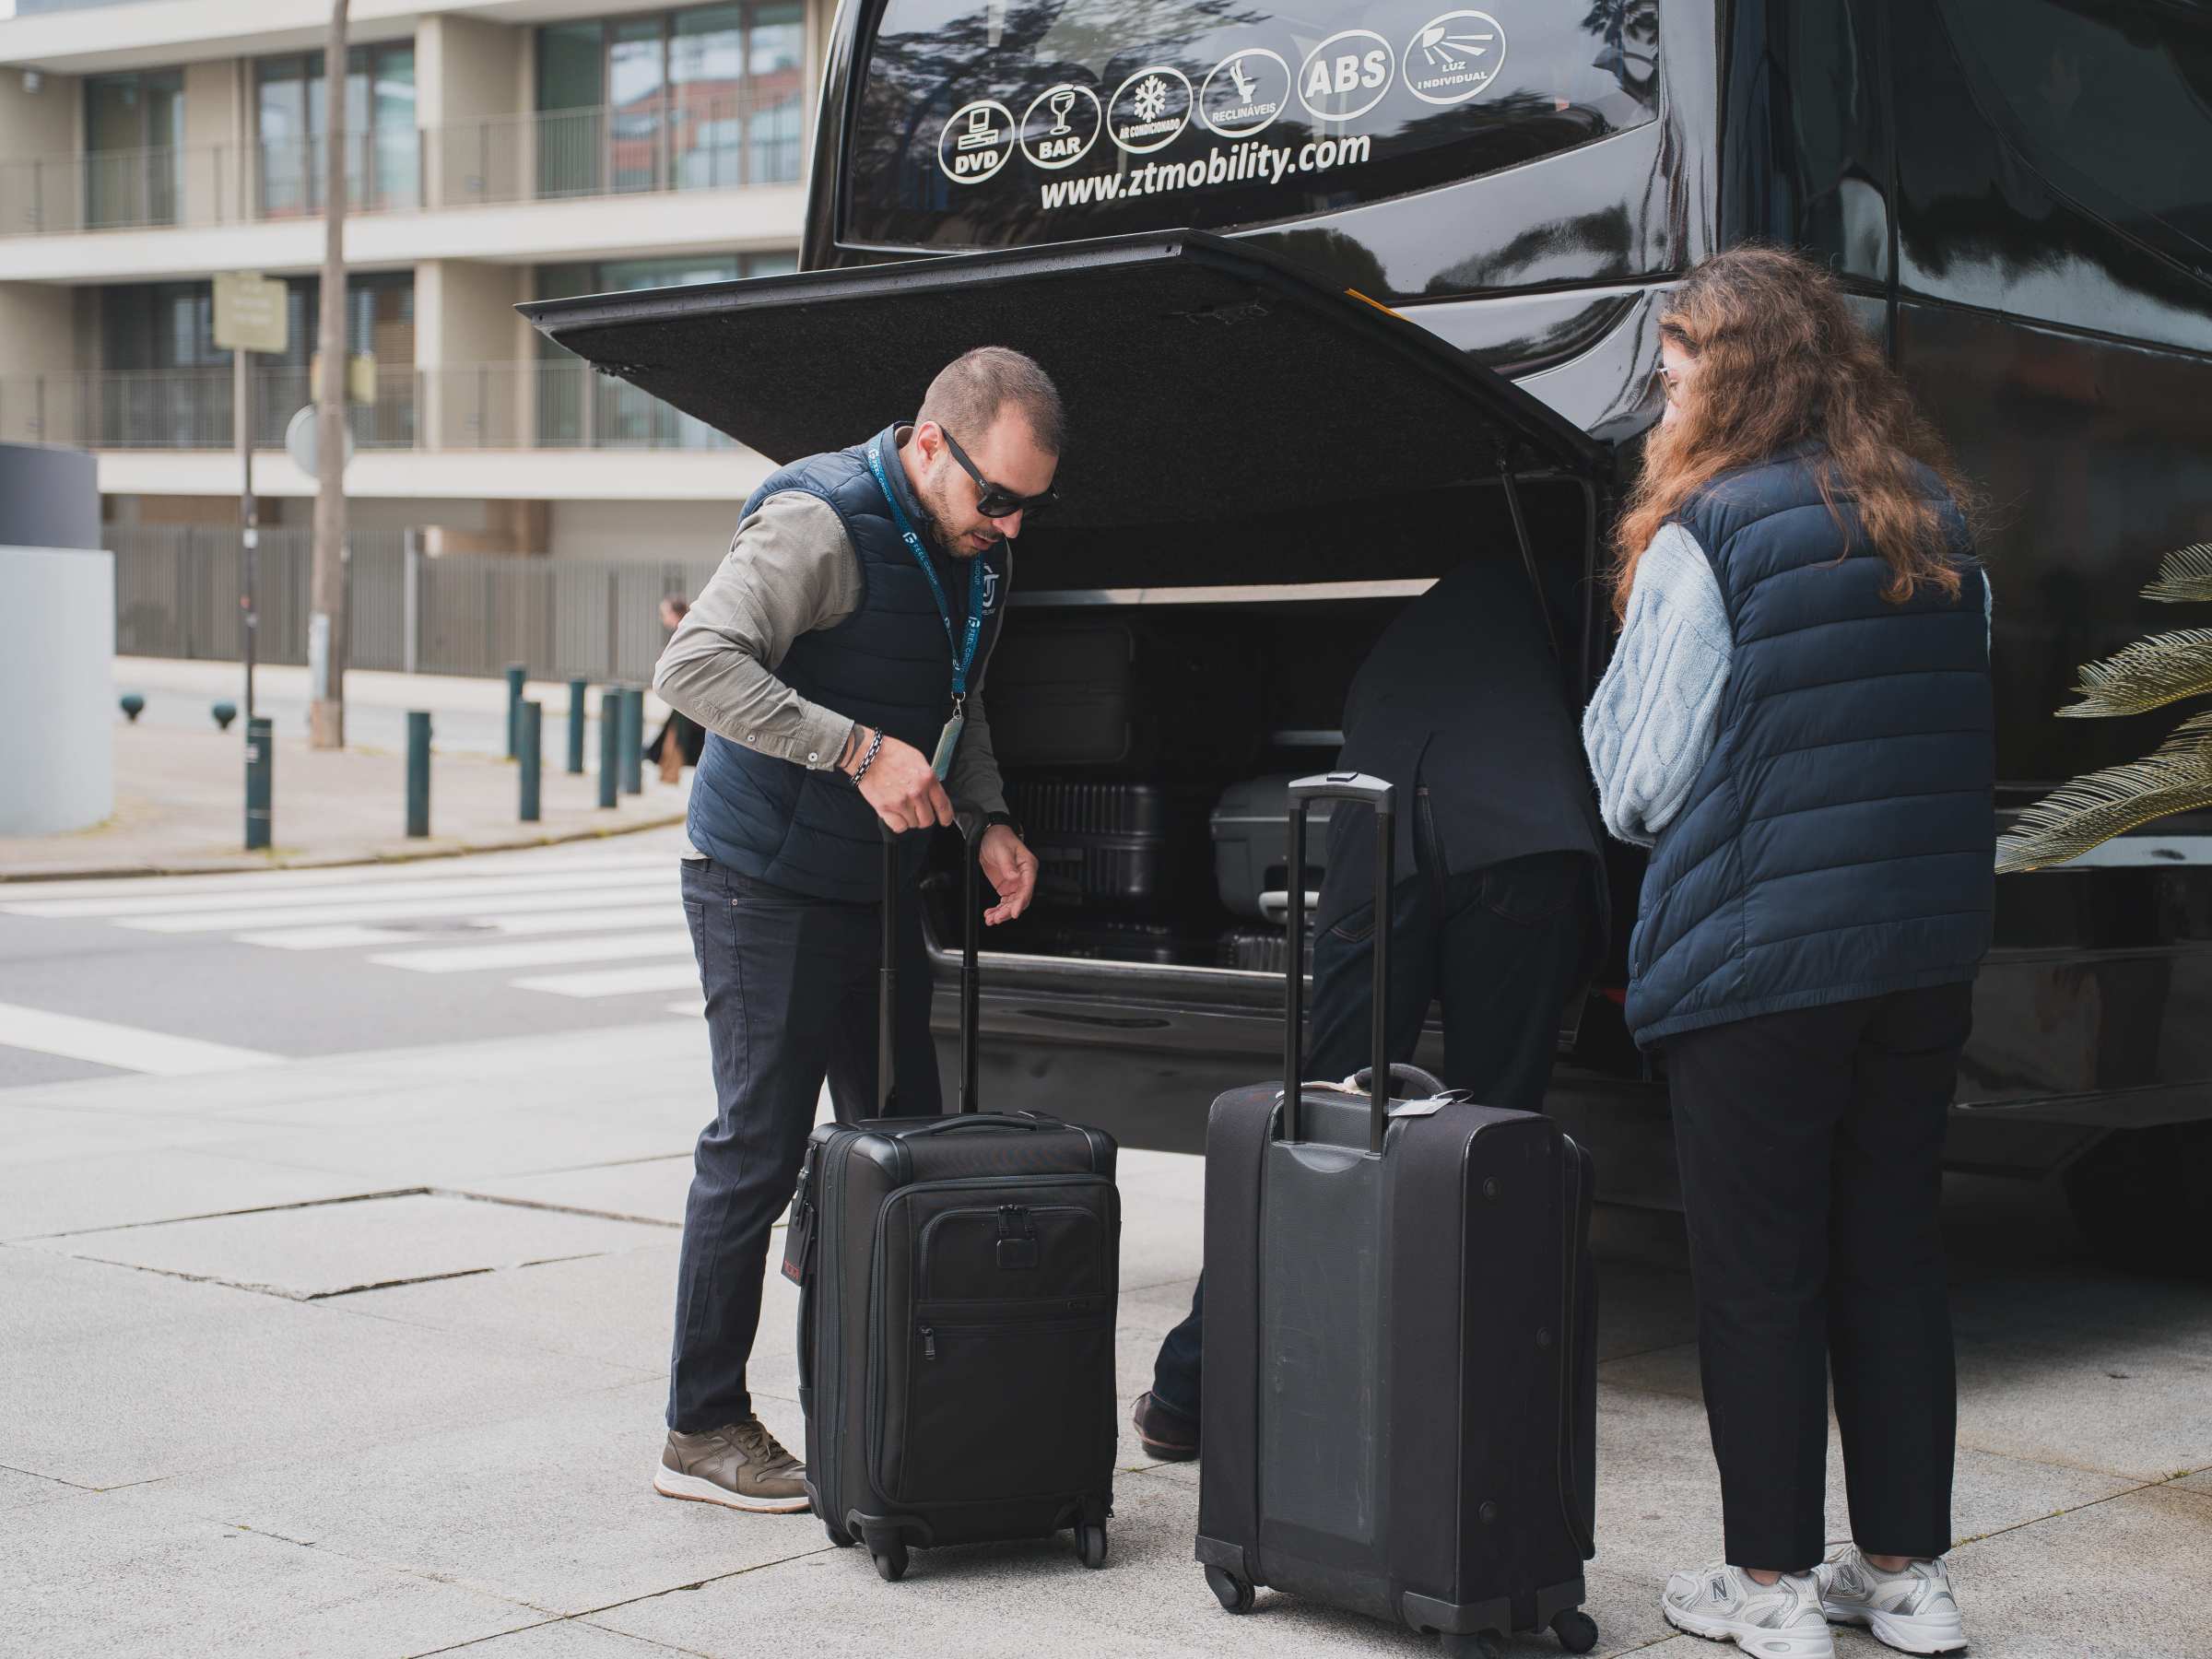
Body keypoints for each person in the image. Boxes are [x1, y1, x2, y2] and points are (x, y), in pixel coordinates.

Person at [1583, 247, 1992, 1659]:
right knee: (1889, 1255)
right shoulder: (1937, 521)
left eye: (1676, 362)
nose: (1663, 388)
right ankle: (1905, 1579)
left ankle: (1767, 1587)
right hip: (1920, 953)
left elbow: (1635, 786)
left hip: (1759, 960)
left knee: (1759, 1272)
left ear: (1729, 372)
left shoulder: (1711, 531)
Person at [648, 347, 1053, 1513]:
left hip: (873, 892)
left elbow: (953, 695)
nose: (1012, 526)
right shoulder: (817, 524)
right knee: (759, 1151)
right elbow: (694, 663)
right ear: (931, 445)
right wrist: (856, 750)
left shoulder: (972, 549)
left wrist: (985, 820)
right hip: (761, 882)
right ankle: (702, 1423)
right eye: (998, 497)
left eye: (1030, 505)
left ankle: (869, 1395)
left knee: (895, 1148)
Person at [1130, 552, 1607, 1463]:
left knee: (1315, 1128)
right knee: (1493, 1141)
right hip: (1520, 839)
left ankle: (1189, 1394)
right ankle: (1481, 1414)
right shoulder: (1587, 594)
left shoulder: (1433, 614)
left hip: (1374, 821)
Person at [646, 597, 705, 782]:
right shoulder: (690, 628)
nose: (663, 618)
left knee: (678, 738)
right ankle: (668, 773)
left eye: (665, 614)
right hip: (687, 694)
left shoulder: (685, 631)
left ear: (674, 614)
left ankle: (670, 774)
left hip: (688, 695)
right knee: (674, 737)